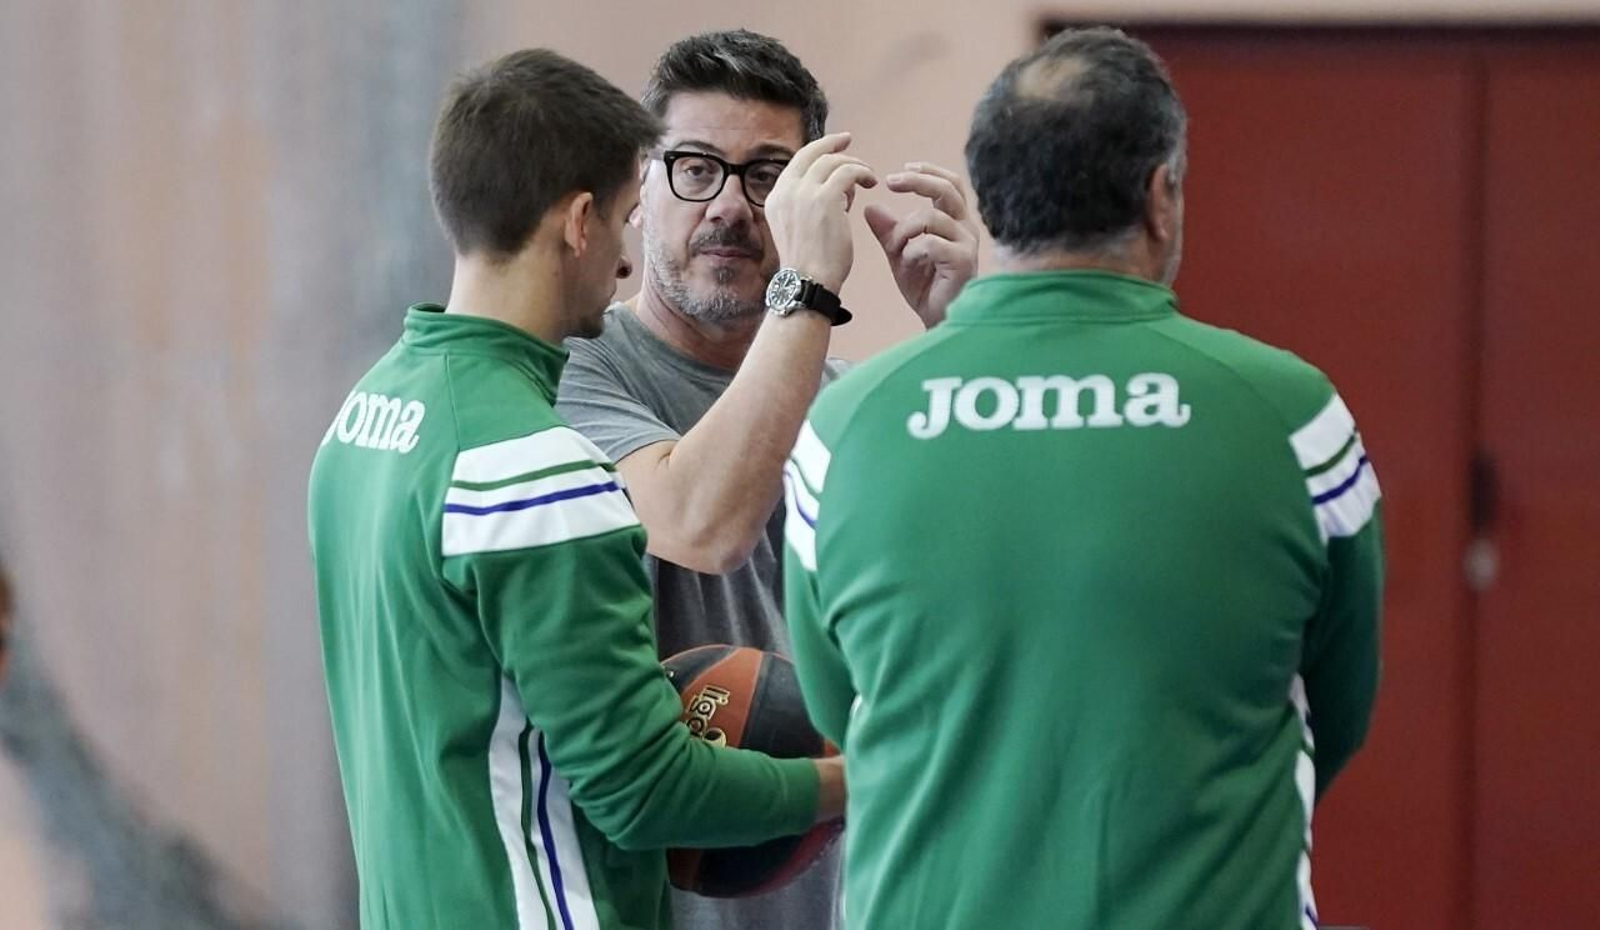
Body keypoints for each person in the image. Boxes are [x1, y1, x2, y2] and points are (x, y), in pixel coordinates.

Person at [782, 26, 1383, 930]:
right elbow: (1336, 708)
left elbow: (842, 703)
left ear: (990, 201)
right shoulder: (1293, 417)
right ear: (1160, 194)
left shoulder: (844, 429)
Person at [307, 48, 843, 930]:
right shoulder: (537, 467)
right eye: (631, 217)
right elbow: (644, 790)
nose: (626, 263)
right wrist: (861, 779)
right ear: (581, 221)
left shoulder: (366, 417)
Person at [554, 31, 977, 930]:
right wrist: (809, 290)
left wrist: (967, 342)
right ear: (640, 188)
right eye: (695, 168)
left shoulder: (851, 409)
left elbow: (999, 593)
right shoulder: (575, 370)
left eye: (767, 178)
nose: (729, 207)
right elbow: (703, 523)